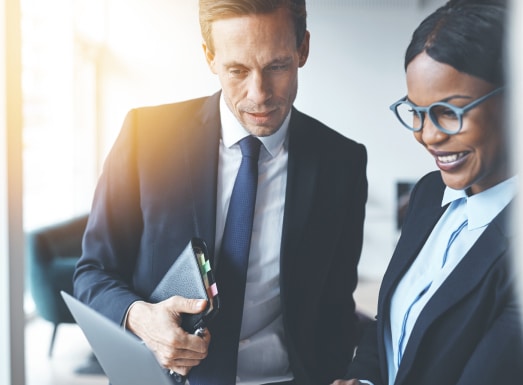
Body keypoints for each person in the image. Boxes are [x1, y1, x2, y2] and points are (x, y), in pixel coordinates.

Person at [73, 1, 368, 384]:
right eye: (237, 70)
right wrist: (140, 318)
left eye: (277, 66)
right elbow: (92, 273)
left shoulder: (342, 162)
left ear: (303, 49)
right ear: (209, 56)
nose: (258, 94)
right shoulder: (145, 137)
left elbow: (335, 306)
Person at [332, 0, 523, 384]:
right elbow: (387, 321)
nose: (429, 136)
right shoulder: (429, 193)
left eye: (450, 112)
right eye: (416, 112)